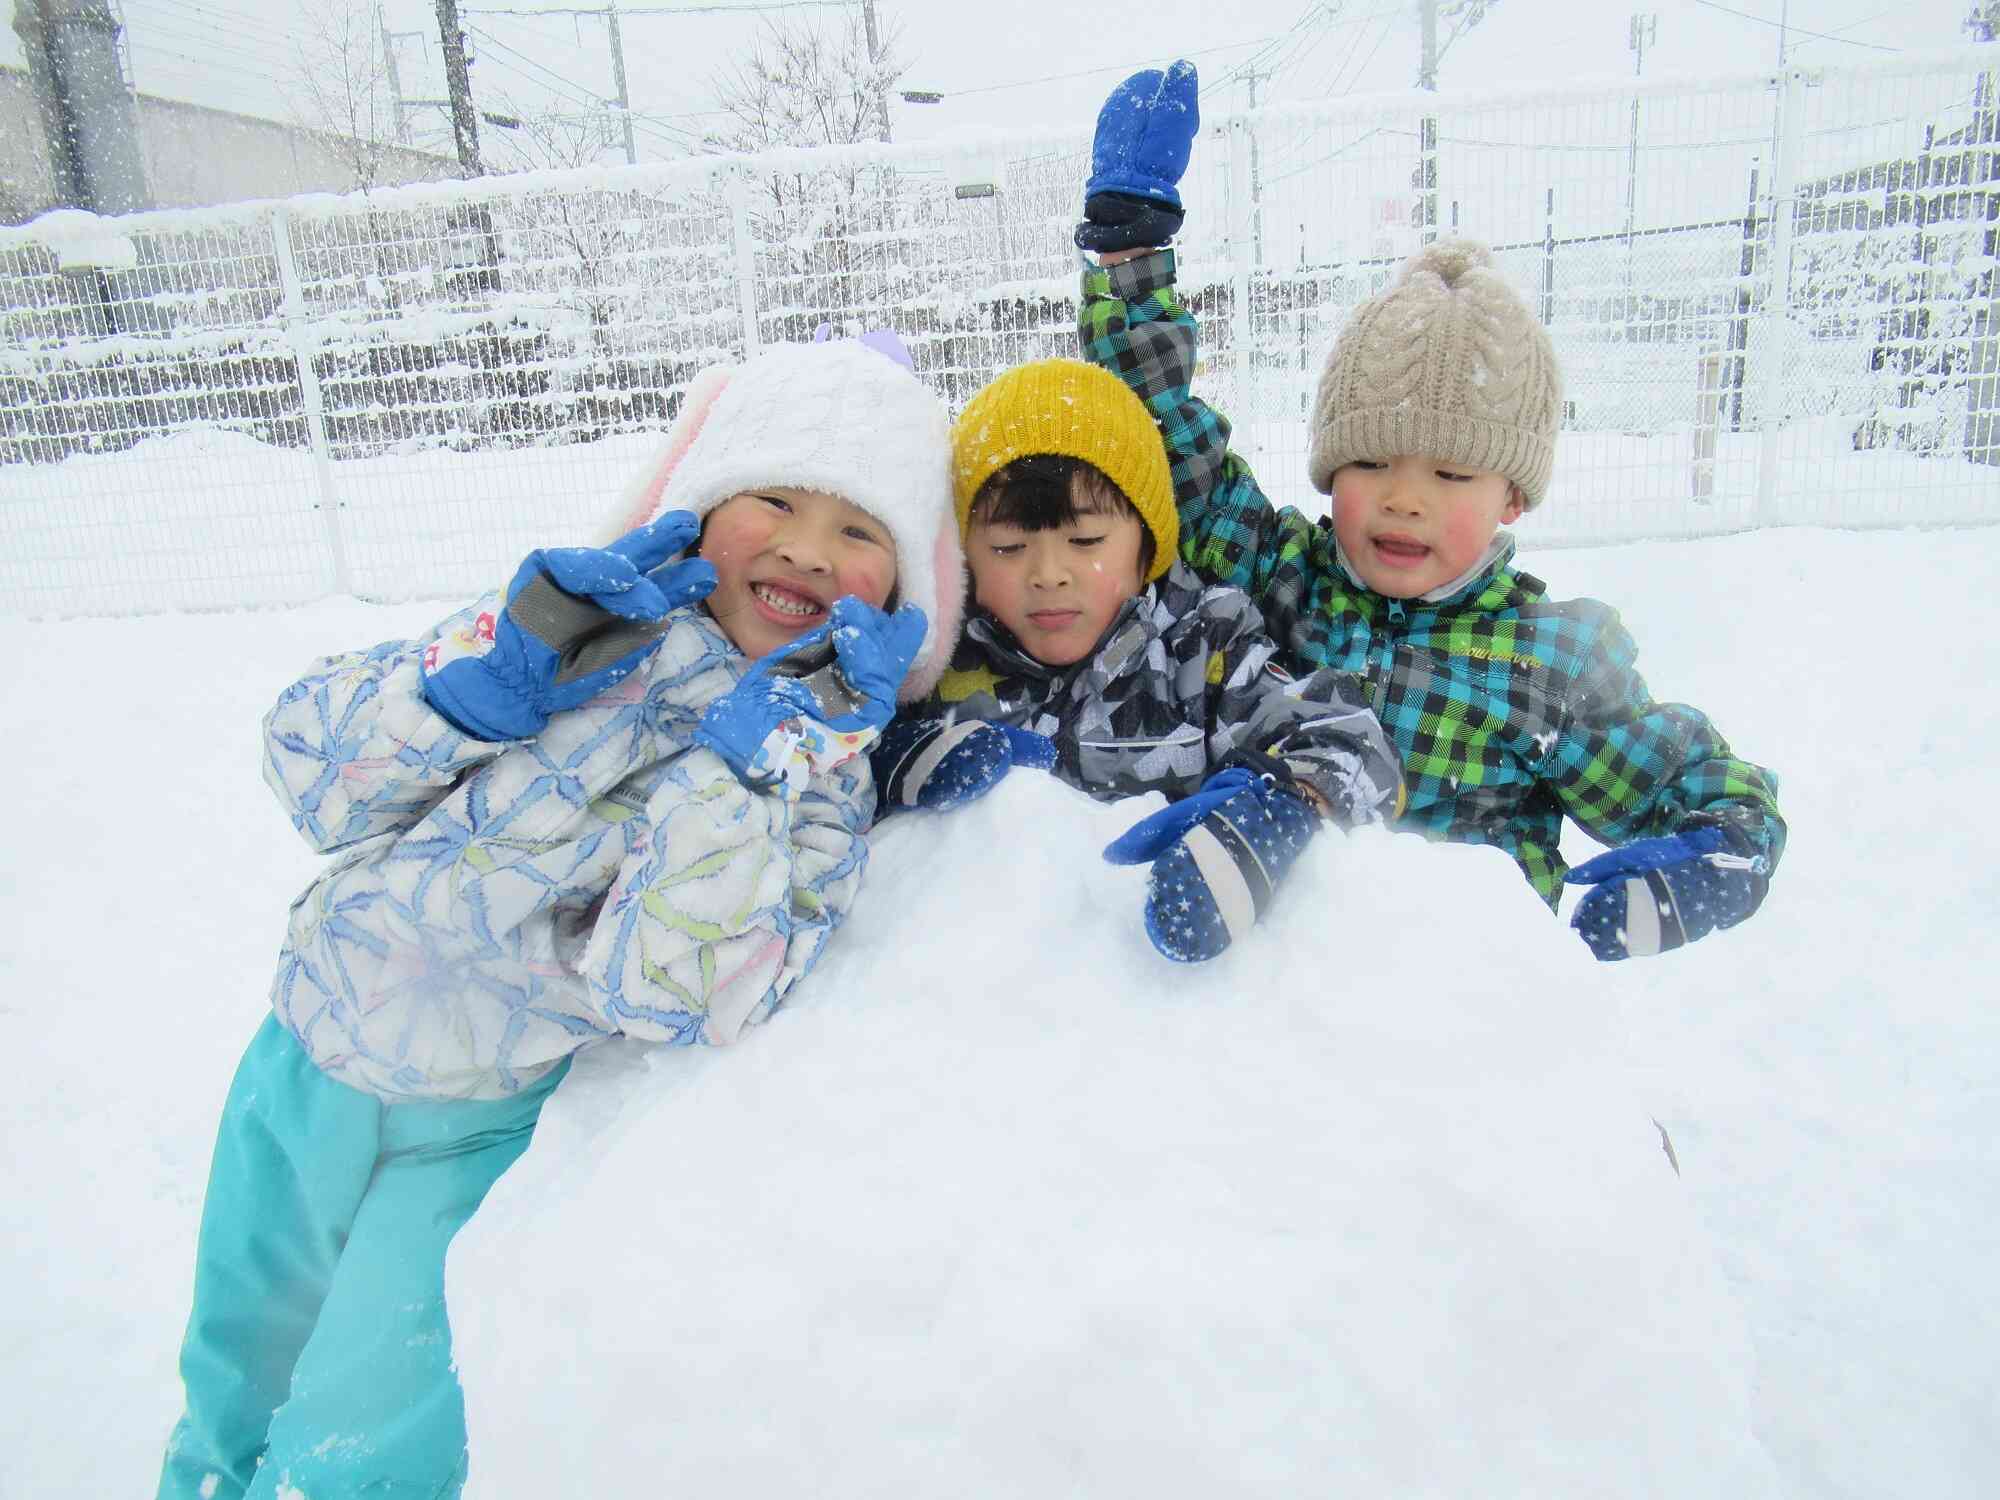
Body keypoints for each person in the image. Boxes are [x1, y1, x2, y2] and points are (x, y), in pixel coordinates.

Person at [157, 332, 964, 1500]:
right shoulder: (573, 624)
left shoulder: (822, 780)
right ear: (696, 503)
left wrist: (750, 773)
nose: (802, 548)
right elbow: (309, 772)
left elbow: (670, 990)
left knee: (356, 1449)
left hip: (467, 1136)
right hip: (296, 1053)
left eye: (858, 530)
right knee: (233, 1378)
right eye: (774, 499)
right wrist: (467, 680)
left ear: (905, 588)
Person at [1070, 61, 1786, 963]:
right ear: (1331, 473)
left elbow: (1676, 772)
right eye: (1370, 460)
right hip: (1263, 1006)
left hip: (1454, 1025)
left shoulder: (1551, 662)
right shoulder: (1280, 575)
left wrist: (1725, 841)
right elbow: (1167, 442)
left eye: (1451, 474)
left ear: (1513, 497)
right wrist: (1131, 259)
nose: (1405, 497)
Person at [873, 353, 1404, 964]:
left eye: (1086, 541)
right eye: (1009, 547)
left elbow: (1348, 739)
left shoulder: (1202, 649)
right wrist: (896, 762)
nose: (1048, 575)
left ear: (1147, 542)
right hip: (988, 983)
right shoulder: (935, 660)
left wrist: (1283, 802)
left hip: (1149, 999)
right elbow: (831, 774)